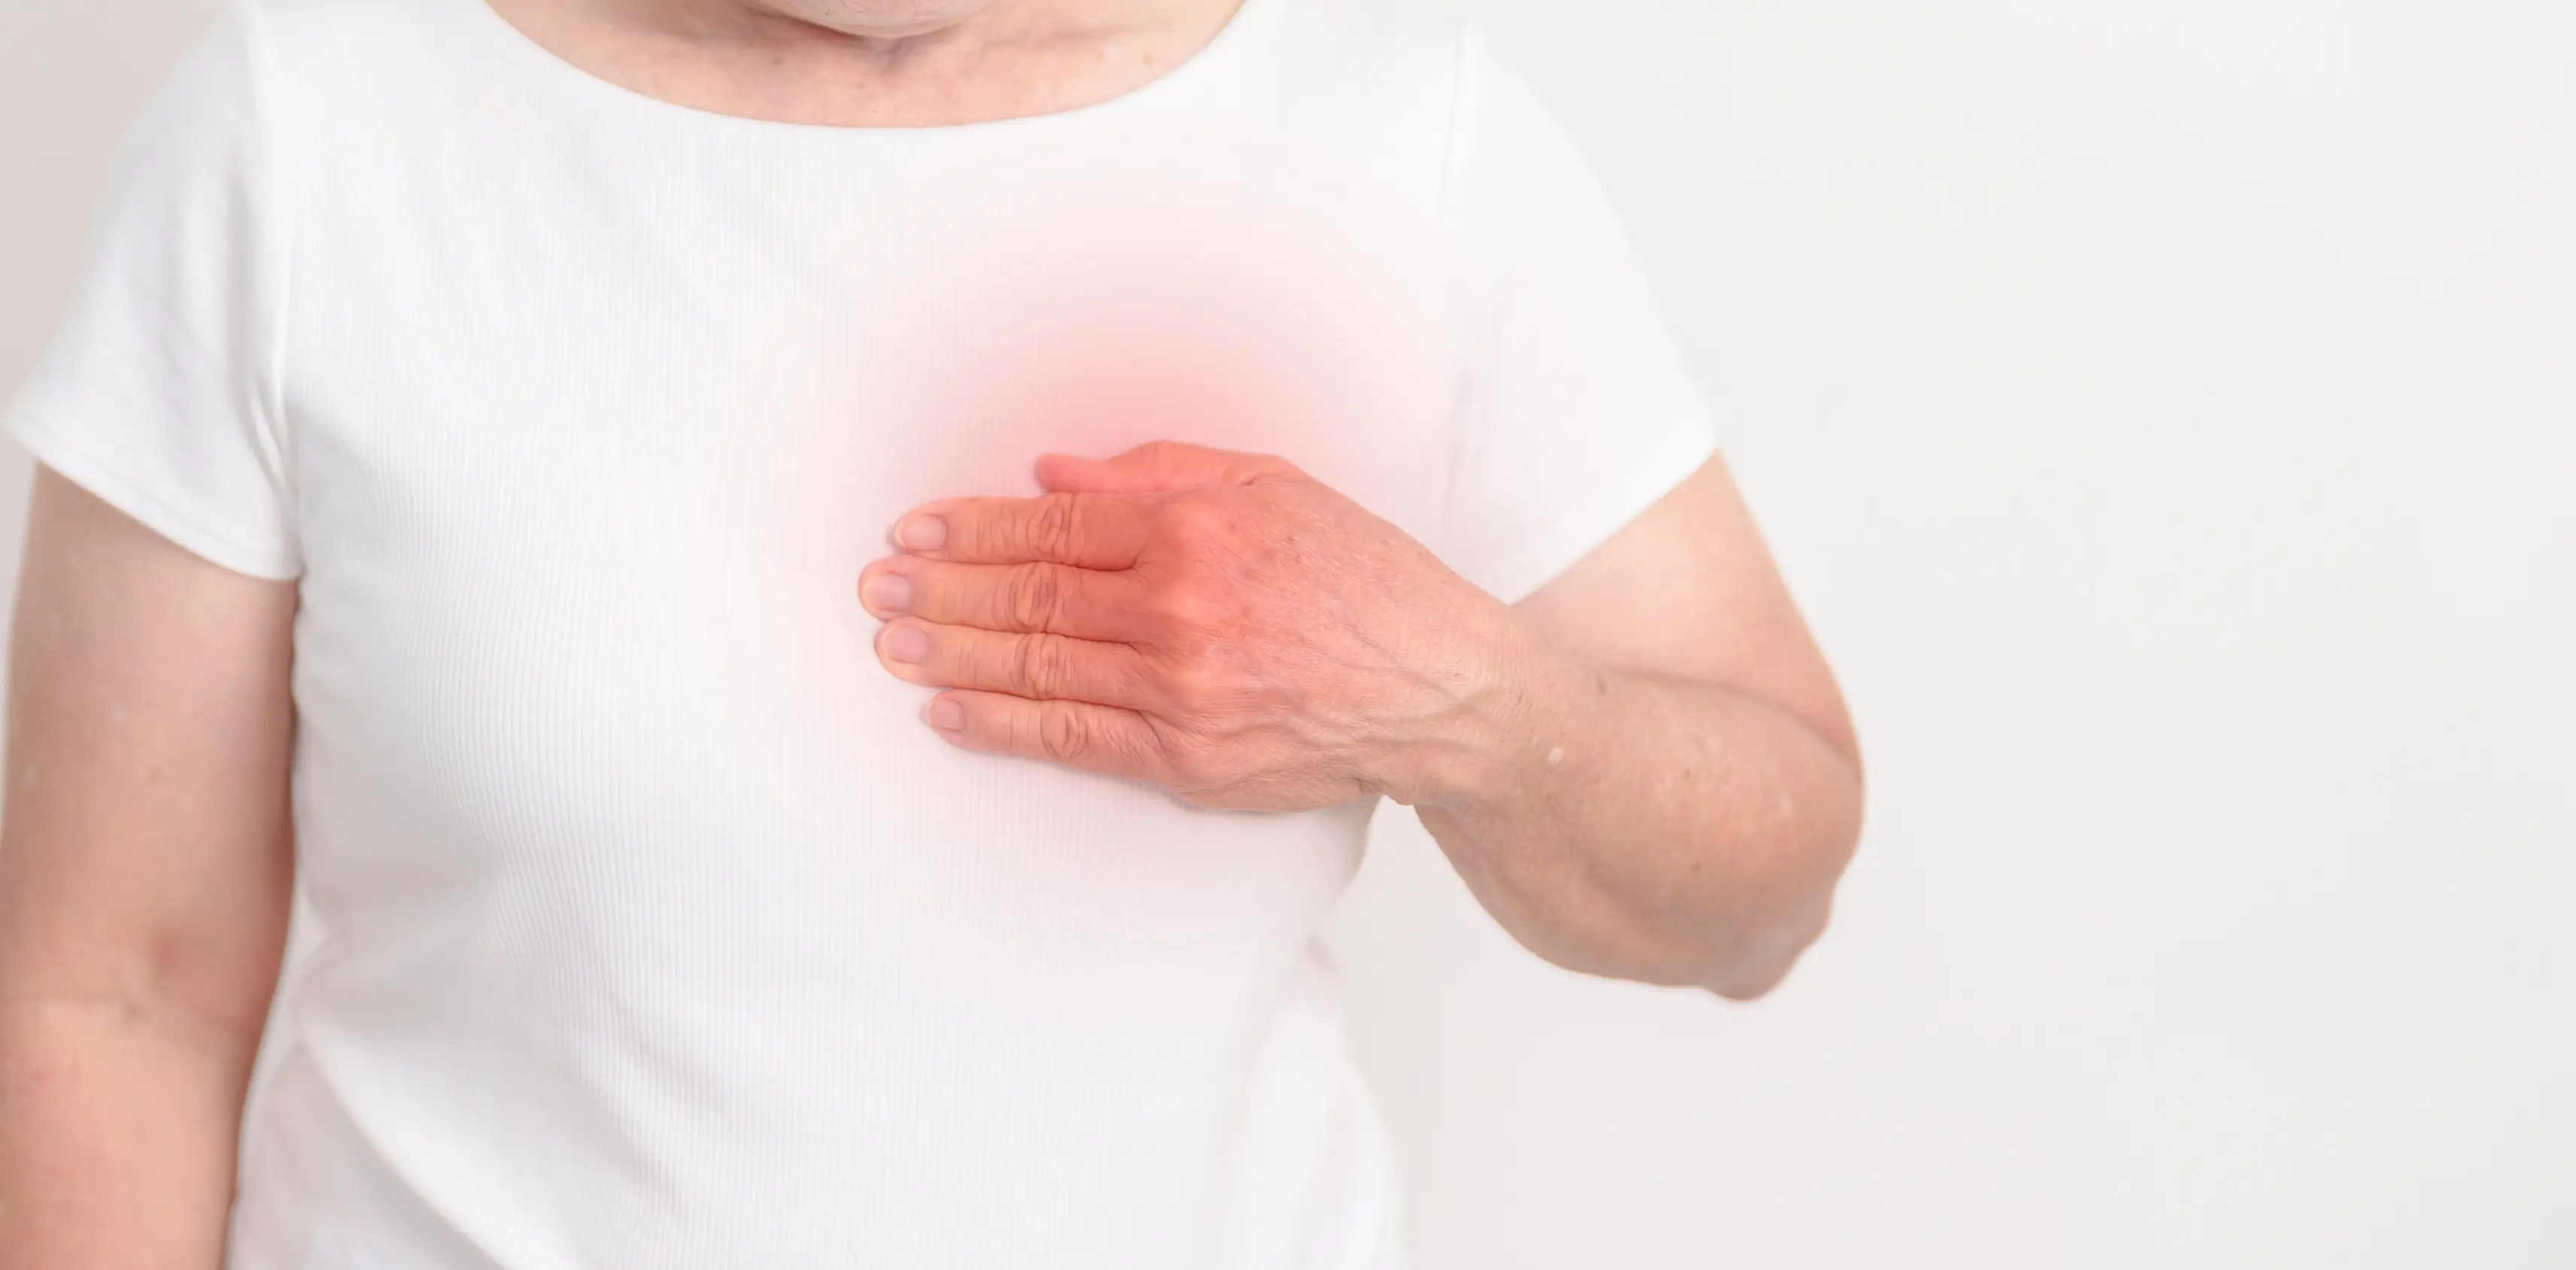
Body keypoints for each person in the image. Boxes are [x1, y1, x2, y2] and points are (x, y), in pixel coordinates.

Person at [0, 0, 1864, 1264]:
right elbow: (118, 991)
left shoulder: (1397, 135)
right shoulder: (312, 125)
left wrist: (1451, 699)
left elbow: (1767, 887)